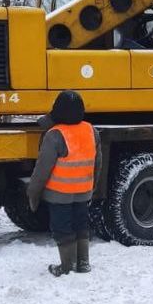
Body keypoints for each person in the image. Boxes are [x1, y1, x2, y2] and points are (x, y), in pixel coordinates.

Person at [27, 90, 101, 276]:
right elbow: (98, 163)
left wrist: (33, 193)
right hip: (83, 191)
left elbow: (42, 170)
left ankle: (67, 266)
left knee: (62, 228)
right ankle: (83, 263)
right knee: (81, 225)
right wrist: (92, 187)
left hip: (59, 194)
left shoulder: (54, 135)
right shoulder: (91, 131)